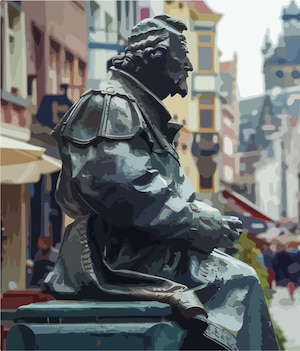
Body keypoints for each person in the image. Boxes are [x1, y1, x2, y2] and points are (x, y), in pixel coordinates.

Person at [43, 15, 278, 350]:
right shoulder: (111, 104)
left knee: (236, 277)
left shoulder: (132, 107)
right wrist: (197, 223)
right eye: (182, 57)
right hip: (115, 256)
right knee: (239, 280)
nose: (190, 67)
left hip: (139, 248)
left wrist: (203, 220)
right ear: (154, 57)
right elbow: (123, 189)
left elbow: (144, 188)